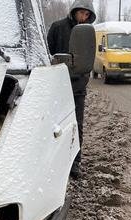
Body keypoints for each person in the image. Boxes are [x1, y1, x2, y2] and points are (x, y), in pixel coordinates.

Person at [47, 0, 96, 178]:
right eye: (82, 13)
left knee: (77, 125)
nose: (84, 17)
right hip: (58, 84)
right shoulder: (58, 27)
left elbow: (89, 57)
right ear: (74, 11)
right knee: (54, 125)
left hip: (78, 87)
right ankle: (53, 160)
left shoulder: (88, 33)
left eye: (87, 15)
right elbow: (48, 53)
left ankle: (75, 162)